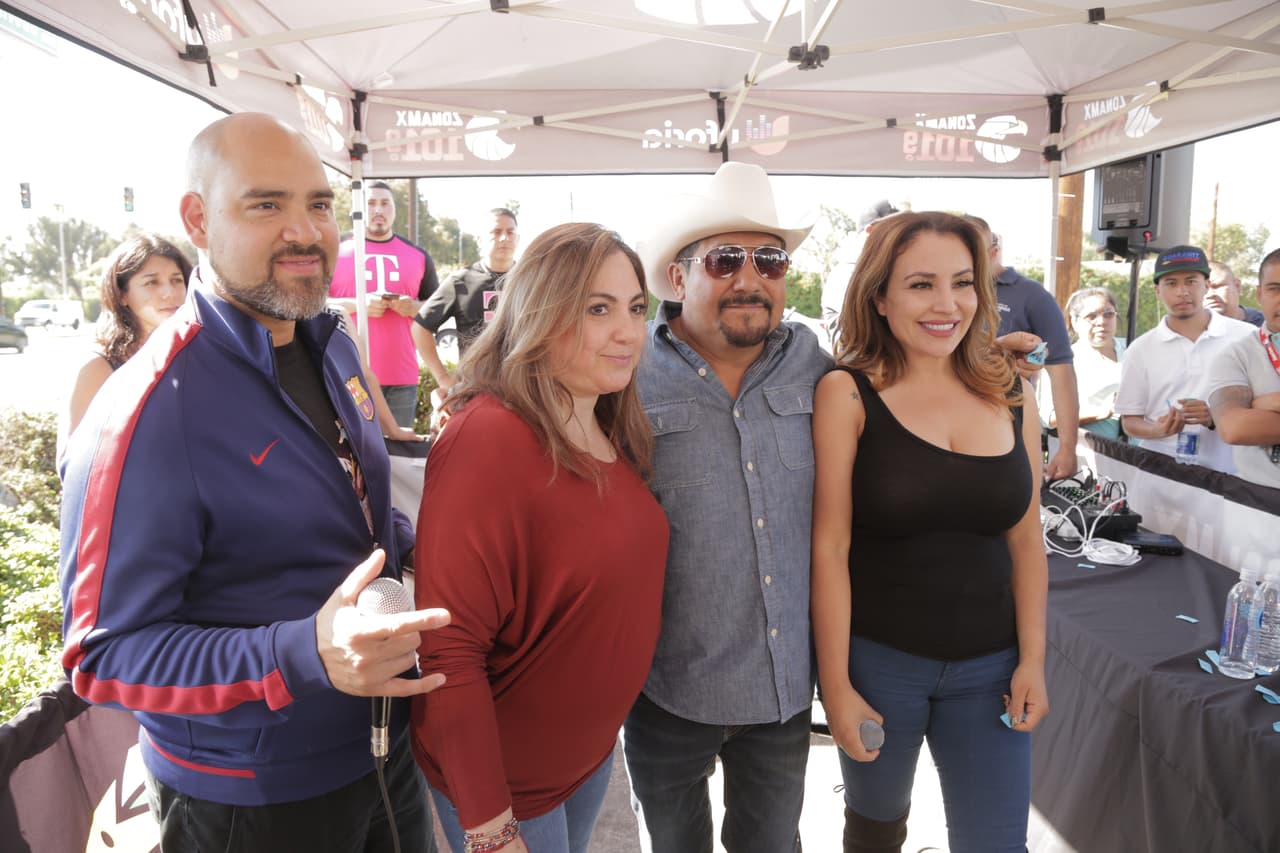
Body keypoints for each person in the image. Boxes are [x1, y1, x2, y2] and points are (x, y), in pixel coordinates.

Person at [58, 112, 449, 853]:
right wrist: (302, 652)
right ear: (197, 220)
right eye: (266, 204)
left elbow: (358, 518)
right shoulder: (145, 411)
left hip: (385, 752)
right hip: (249, 801)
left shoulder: (332, 346)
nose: (306, 231)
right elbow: (102, 657)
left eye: (320, 203)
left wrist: (420, 553)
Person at [411, 223, 668, 853]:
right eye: (598, 309)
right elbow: (449, 651)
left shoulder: (605, 416)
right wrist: (492, 828)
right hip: (508, 789)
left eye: (636, 308)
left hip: (582, 766)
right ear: (541, 313)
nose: (628, 332)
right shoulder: (489, 436)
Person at [811, 211, 1049, 853]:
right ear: (880, 298)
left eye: (963, 282)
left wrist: (1033, 660)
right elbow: (829, 550)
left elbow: (1027, 541)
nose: (947, 304)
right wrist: (835, 689)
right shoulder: (847, 394)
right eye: (920, 285)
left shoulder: (1012, 393)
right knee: (875, 834)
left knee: (999, 843)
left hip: (992, 670)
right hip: (881, 666)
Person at [625, 161, 831, 853]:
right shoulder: (622, 374)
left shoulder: (817, 363)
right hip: (665, 689)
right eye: (725, 260)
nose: (751, 279)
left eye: (769, 260)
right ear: (679, 277)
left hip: (782, 689)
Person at [1115, 244, 1255, 473]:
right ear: (1157, 290)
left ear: (1206, 286)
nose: (1182, 292)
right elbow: (1130, 421)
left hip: (1231, 479)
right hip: (1161, 477)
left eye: (1191, 281)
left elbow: (1263, 405)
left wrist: (1217, 416)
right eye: (1171, 283)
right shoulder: (1140, 349)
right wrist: (1159, 430)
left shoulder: (1246, 337)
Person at [967, 215, 1080, 480]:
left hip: (1009, 428)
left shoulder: (1032, 295)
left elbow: (1061, 371)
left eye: (974, 253)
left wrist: (1067, 447)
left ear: (994, 251)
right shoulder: (947, 295)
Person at [328, 180, 440, 427]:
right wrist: (358, 304)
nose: (378, 209)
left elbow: (438, 307)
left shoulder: (419, 256)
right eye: (371, 203)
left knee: (397, 457)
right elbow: (313, 305)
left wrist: (414, 307)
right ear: (356, 209)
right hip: (347, 373)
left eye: (385, 203)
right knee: (353, 453)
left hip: (402, 376)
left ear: (394, 210)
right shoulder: (333, 250)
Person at [63, 233, 191, 442]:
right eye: (152, 282)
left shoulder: (196, 353)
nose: (169, 292)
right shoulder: (98, 367)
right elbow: (71, 463)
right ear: (122, 294)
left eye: (176, 280)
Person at [412, 207, 519, 394]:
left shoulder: (531, 279)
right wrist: (443, 378)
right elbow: (420, 327)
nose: (504, 238)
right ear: (480, 239)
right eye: (496, 232)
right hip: (474, 391)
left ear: (518, 238)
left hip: (521, 389)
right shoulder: (460, 281)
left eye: (510, 232)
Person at [1208, 248, 1280, 489]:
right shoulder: (1236, 355)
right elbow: (1233, 428)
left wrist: (1266, 403)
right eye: (1275, 289)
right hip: (1263, 508)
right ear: (1260, 295)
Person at [1038, 287, 1124, 440]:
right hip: (1086, 455)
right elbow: (1048, 418)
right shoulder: (1062, 361)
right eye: (1091, 316)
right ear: (1075, 321)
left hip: (1136, 455)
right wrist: (1098, 413)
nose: (1101, 322)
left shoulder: (1132, 351)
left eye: (1108, 314)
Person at [1206, 260, 1265, 327]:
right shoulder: (1194, 331)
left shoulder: (1268, 325)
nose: (1210, 294)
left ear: (1237, 286)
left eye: (1217, 286)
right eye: (1204, 288)